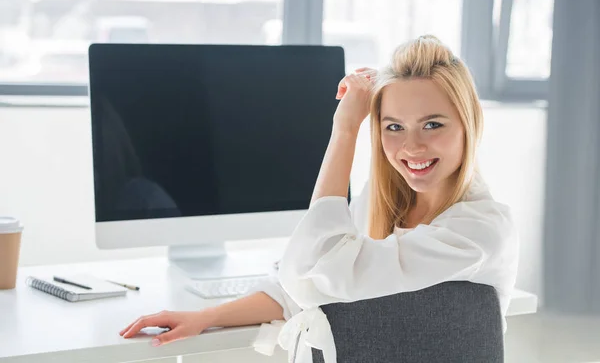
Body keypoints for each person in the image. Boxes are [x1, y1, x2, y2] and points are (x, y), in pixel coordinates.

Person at [119, 35, 519, 363]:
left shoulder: (478, 232)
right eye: (393, 126)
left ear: (469, 125)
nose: (411, 147)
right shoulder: (385, 203)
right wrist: (205, 317)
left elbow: (312, 274)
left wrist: (344, 130)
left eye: (432, 124)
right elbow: (296, 287)